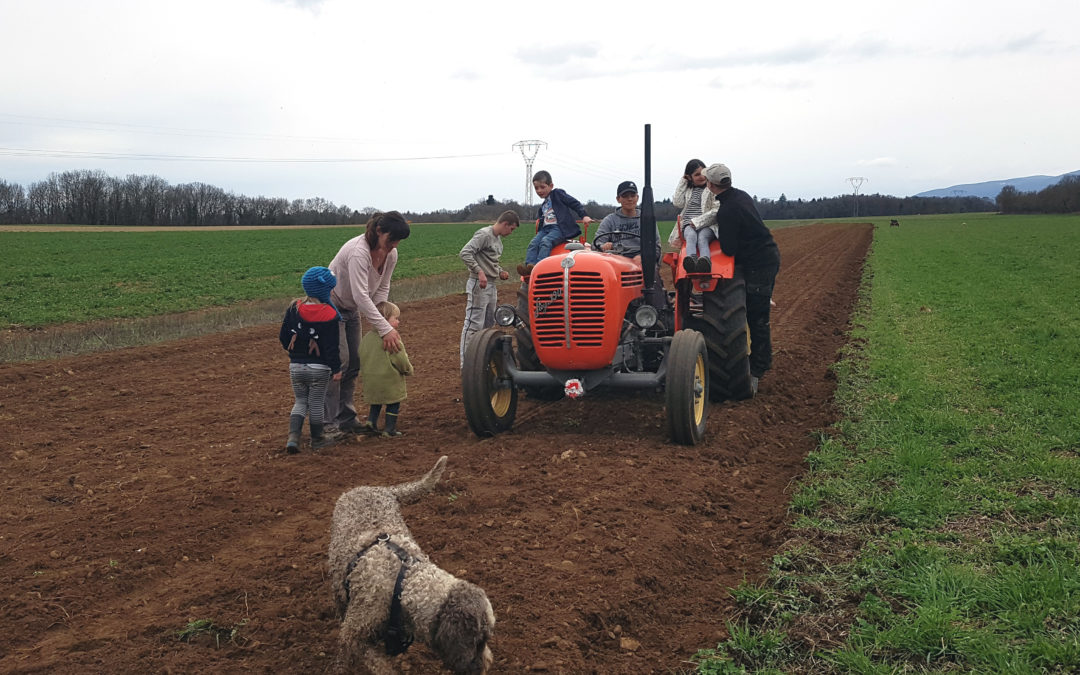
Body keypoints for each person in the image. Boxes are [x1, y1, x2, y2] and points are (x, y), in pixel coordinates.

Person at [324, 211, 411, 436]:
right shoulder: (358, 253)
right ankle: (328, 425)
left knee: (354, 363)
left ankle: (347, 418)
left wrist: (382, 316)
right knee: (339, 363)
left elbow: (382, 289)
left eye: (398, 242)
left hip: (351, 309)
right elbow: (361, 295)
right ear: (379, 231)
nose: (393, 246)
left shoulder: (391, 254)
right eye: (391, 240)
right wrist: (385, 329)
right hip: (331, 307)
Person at [701, 163, 781, 396]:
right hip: (766, 256)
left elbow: (729, 247)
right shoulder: (741, 196)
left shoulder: (728, 210)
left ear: (711, 185)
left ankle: (757, 369)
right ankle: (757, 364)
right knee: (755, 310)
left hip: (759, 265)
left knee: (757, 316)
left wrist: (714, 235)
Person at [279, 266, 342, 453]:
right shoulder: (329, 314)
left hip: (296, 366)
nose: (332, 291)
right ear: (324, 290)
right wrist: (336, 368)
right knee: (315, 403)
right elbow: (332, 347)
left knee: (300, 401)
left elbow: (283, 336)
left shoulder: (293, 308)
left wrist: (295, 353)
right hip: (319, 368)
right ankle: (317, 439)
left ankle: (293, 437)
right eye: (331, 288)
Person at [459, 210, 520, 367]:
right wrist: (479, 272)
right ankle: (467, 365)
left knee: (489, 322)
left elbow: (489, 261)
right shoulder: (484, 234)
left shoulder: (497, 240)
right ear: (505, 224)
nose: (511, 233)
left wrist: (500, 271)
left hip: (491, 284)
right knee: (473, 324)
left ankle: (481, 360)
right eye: (511, 229)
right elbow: (465, 253)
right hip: (479, 284)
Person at [517, 170, 593, 276]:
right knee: (533, 243)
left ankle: (539, 268)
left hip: (559, 228)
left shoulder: (558, 194)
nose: (539, 190)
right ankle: (529, 267)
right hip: (545, 229)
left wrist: (584, 215)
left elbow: (574, 203)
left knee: (545, 242)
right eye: (536, 188)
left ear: (551, 185)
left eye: (542, 187)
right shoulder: (543, 205)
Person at [357, 301, 414, 437]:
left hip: (371, 379)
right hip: (389, 379)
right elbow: (400, 359)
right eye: (395, 318)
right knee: (393, 403)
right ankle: (389, 429)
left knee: (376, 402)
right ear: (384, 320)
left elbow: (361, 354)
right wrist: (408, 369)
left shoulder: (366, 338)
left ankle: (371, 422)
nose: (398, 321)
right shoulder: (391, 339)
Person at [593, 180, 661, 266]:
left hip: (642, 261)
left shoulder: (647, 220)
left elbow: (656, 247)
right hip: (616, 261)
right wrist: (603, 246)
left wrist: (643, 257)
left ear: (637, 197)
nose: (630, 199)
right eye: (625, 196)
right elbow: (596, 245)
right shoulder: (609, 220)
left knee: (652, 274)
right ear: (618, 199)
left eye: (633, 196)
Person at [669, 158, 719, 273]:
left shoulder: (711, 189)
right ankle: (691, 261)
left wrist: (698, 222)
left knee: (702, 238)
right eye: (697, 175)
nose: (701, 177)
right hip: (688, 223)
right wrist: (683, 181)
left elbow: (715, 210)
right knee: (690, 237)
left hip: (707, 224)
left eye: (703, 173)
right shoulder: (688, 190)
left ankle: (705, 262)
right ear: (690, 177)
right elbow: (677, 202)